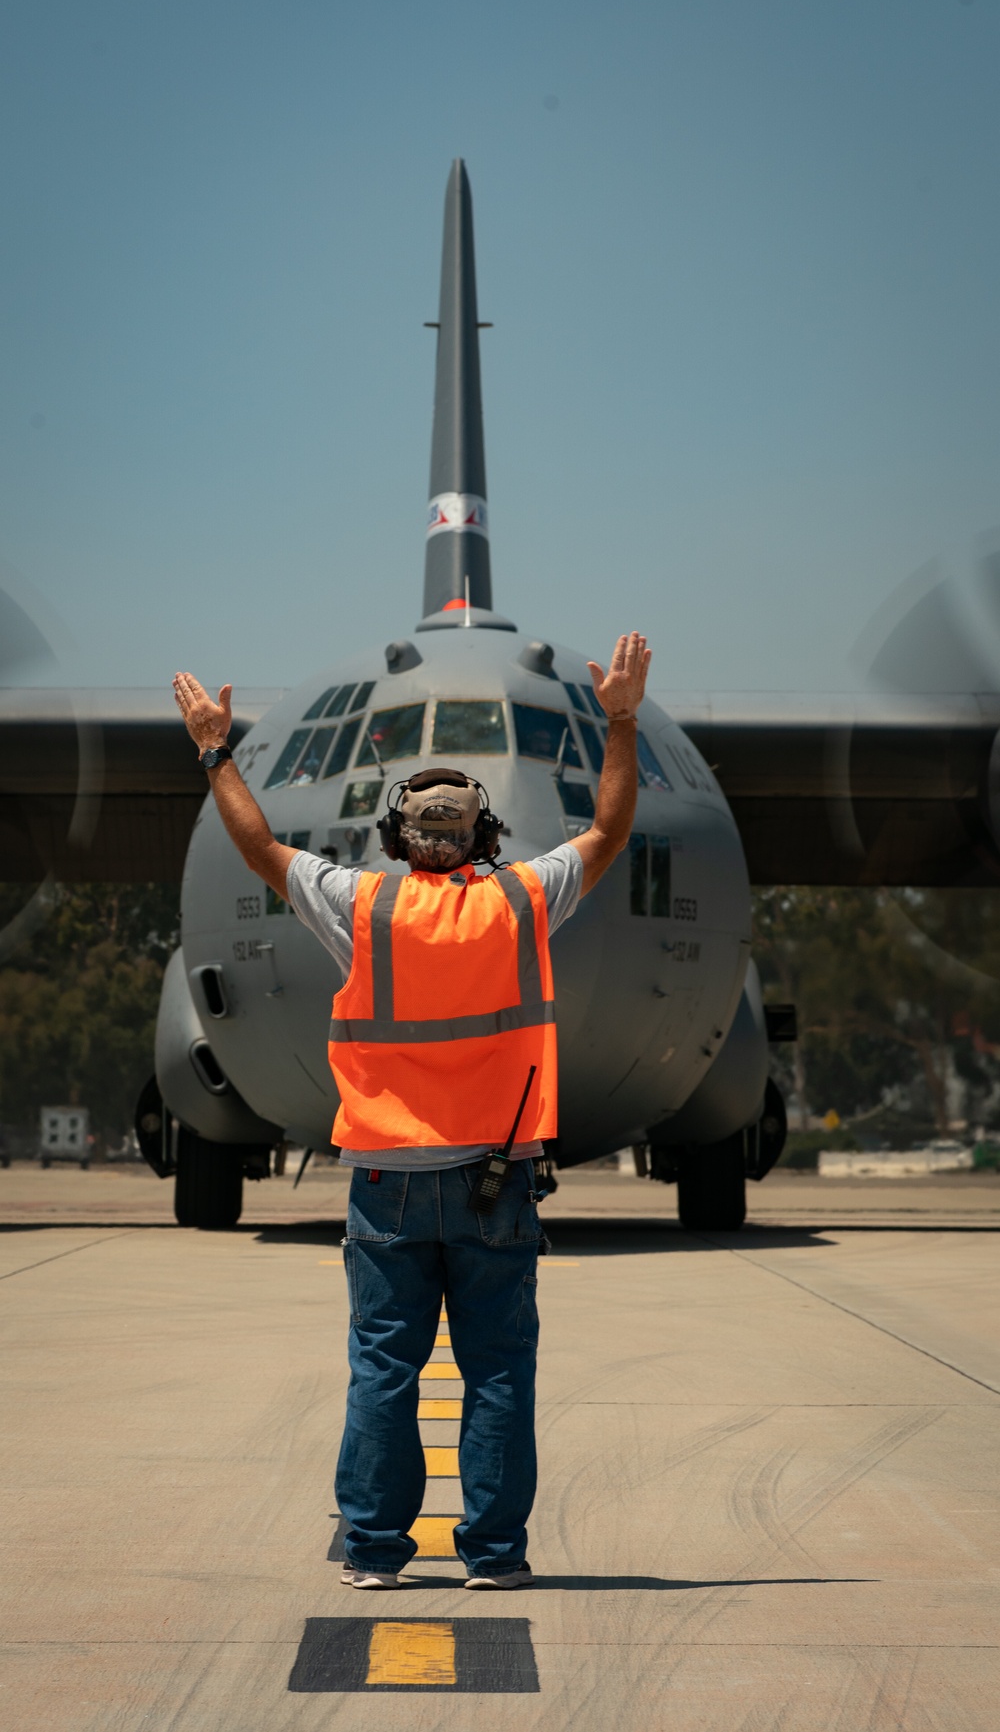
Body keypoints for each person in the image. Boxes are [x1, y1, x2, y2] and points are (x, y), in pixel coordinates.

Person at [172, 629, 651, 1590]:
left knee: (385, 1373)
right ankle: (496, 1555)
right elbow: (606, 833)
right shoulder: (523, 900)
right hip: (496, 1182)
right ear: (482, 835)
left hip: (388, 1183)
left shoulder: (361, 907)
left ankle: (380, 1553)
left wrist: (218, 749)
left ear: (398, 837)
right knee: (498, 1374)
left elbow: (261, 846)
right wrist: (623, 722)